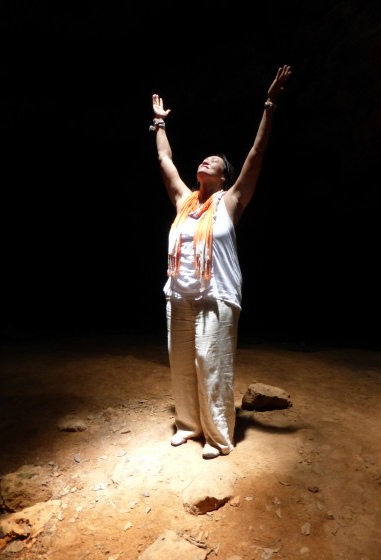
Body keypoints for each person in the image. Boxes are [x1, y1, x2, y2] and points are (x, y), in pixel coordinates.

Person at [150, 64, 292, 459]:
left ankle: (218, 437)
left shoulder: (230, 202)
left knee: (210, 364)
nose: (206, 161)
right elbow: (165, 163)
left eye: (214, 161)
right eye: (204, 160)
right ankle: (189, 425)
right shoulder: (185, 200)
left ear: (225, 177)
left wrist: (270, 103)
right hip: (180, 293)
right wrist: (159, 124)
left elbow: (257, 151)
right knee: (181, 364)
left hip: (217, 295)